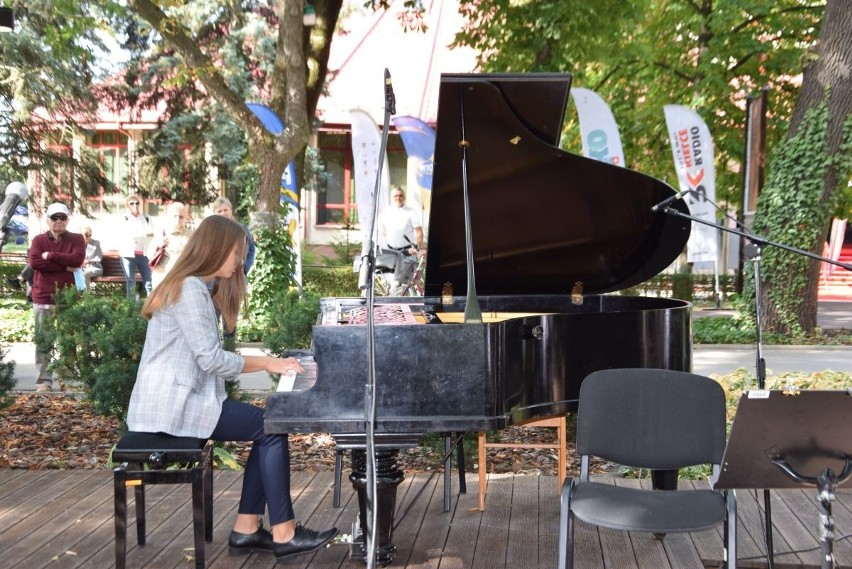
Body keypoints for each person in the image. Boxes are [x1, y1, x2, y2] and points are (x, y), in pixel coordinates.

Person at [125, 215, 338, 560]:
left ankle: (247, 530)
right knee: (269, 428)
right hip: (173, 405)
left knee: (266, 428)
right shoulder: (189, 288)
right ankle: (282, 533)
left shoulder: (191, 284)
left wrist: (265, 361)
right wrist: (268, 363)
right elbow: (211, 359)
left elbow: (208, 359)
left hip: (181, 400)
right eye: (237, 253)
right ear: (216, 248)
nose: (240, 261)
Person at [28, 203, 85, 392]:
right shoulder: (38, 240)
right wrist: (64, 265)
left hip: (68, 298)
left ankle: (67, 380)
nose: (58, 221)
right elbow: (35, 262)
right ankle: (44, 381)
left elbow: (77, 260)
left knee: (68, 342)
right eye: (54, 217)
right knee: (44, 341)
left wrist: (50, 256)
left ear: (68, 219)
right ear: (48, 220)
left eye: (62, 217)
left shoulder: (77, 239)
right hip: (43, 296)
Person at [149, 202, 194, 289]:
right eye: (175, 216)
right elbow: (149, 254)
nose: (178, 219)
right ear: (169, 216)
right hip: (162, 277)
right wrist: (159, 245)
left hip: (181, 278)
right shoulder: (161, 232)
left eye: (181, 216)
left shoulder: (191, 234)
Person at [118, 194, 154, 300]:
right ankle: (131, 310)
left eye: (137, 203)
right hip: (128, 254)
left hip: (144, 253)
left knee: (149, 282)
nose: (135, 205)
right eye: (132, 203)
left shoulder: (147, 218)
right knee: (130, 282)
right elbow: (129, 234)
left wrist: (144, 234)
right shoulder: (123, 219)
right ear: (127, 205)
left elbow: (152, 233)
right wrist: (144, 234)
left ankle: (151, 307)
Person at [212, 196, 256, 275]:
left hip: (237, 274)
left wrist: (245, 268)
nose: (223, 213)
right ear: (214, 213)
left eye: (225, 210)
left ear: (231, 210)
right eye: (219, 211)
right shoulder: (211, 231)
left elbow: (251, 249)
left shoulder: (241, 229)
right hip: (216, 276)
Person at [378, 187, 424, 254]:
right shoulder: (386, 210)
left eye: (400, 196)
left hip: (407, 251)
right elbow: (380, 224)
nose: (398, 198)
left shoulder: (411, 212)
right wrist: (388, 235)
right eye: (395, 196)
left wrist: (416, 246)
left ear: (404, 197)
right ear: (391, 197)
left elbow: (419, 232)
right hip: (390, 250)